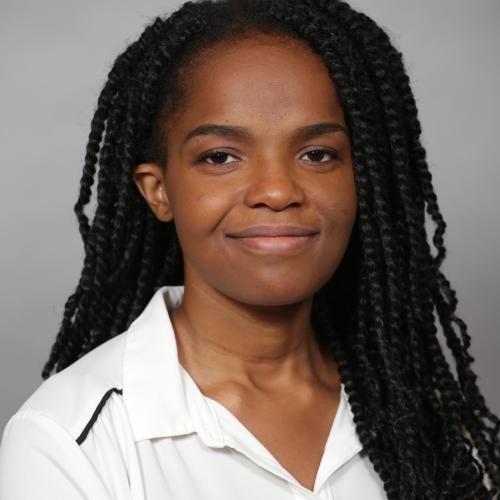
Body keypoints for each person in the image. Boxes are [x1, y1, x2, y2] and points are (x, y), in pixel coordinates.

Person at [0, 0, 499, 498]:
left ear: (363, 177)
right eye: (220, 157)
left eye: (317, 154)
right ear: (159, 191)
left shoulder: (420, 422)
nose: (278, 190)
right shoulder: (67, 443)